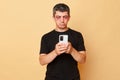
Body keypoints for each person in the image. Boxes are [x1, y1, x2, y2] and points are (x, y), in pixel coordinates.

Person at [39, 3, 86, 80]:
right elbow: (42, 61)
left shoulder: (77, 35)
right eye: (58, 17)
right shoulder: (46, 37)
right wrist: (55, 52)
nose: (62, 20)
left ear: (69, 18)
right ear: (53, 18)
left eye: (65, 17)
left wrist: (71, 50)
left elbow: (83, 60)